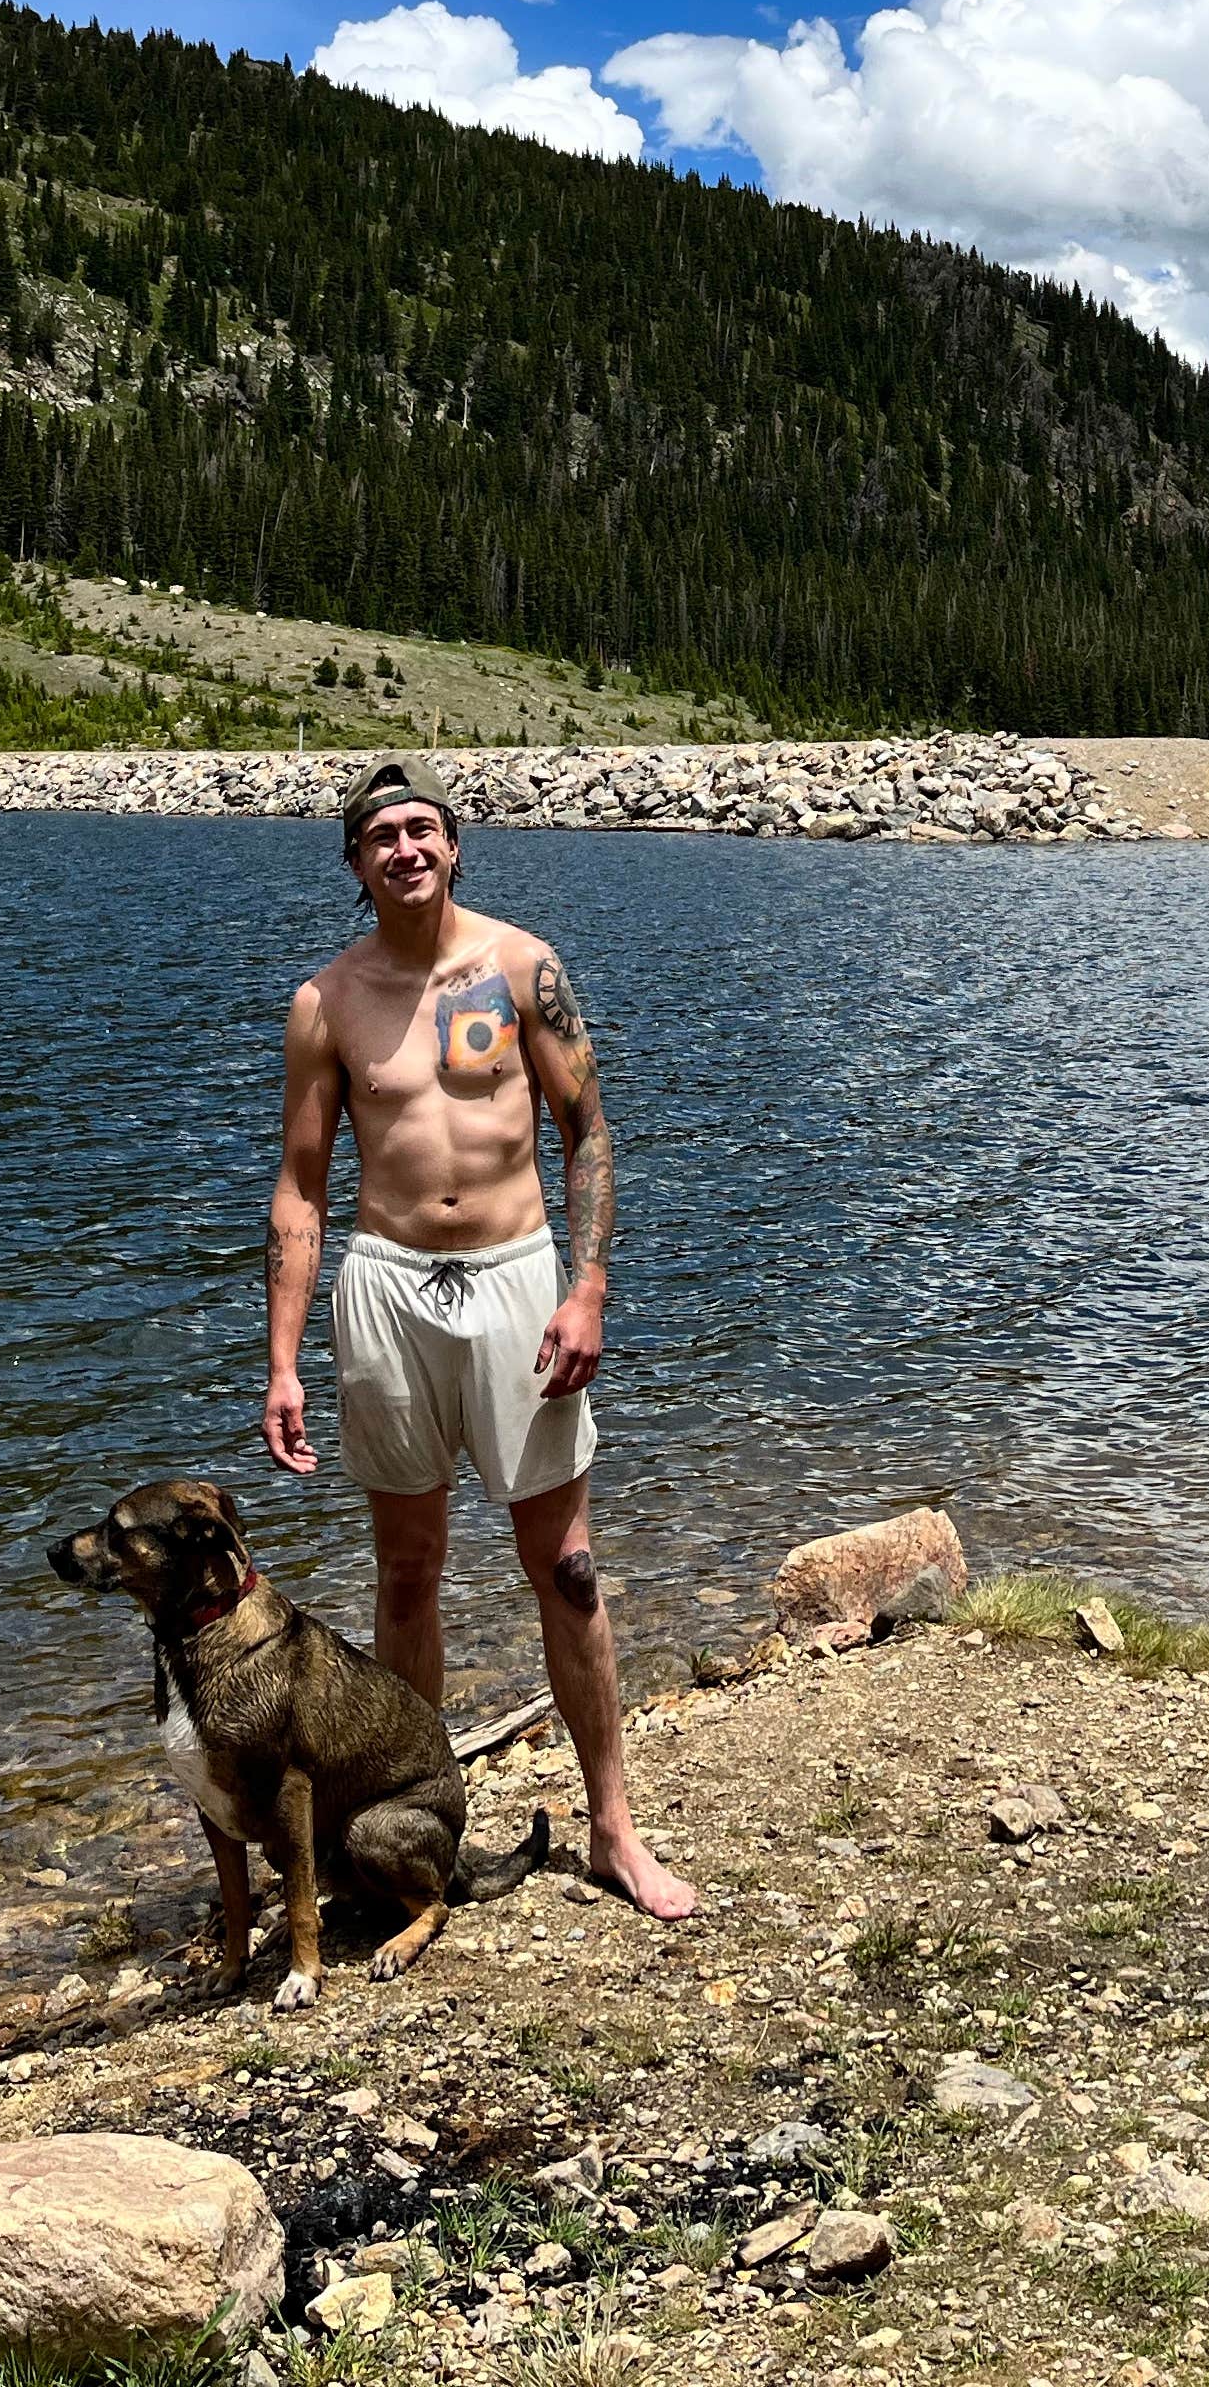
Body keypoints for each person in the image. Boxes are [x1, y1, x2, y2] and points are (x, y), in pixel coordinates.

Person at [260, 755, 694, 1921]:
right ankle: (422, 1837)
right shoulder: (327, 1004)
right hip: (388, 1287)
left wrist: (587, 1286)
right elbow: (300, 1191)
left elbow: (587, 1130)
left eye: (422, 829)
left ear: (454, 847)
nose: (405, 848)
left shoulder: (519, 967)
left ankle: (612, 1831)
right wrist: (283, 1362)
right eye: (380, 837)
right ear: (355, 866)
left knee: (567, 1566)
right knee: (407, 1573)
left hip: (515, 1279)